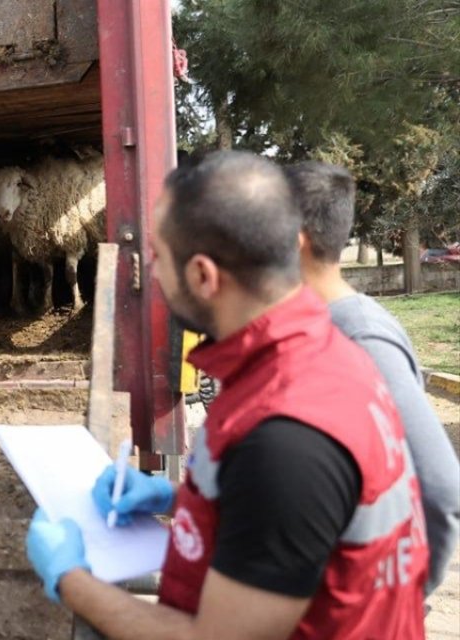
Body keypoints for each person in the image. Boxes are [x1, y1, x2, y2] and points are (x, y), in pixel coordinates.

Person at [25, 151, 428, 638]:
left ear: (202, 276)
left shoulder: (285, 435)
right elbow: (277, 516)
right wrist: (173, 497)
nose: (152, 275)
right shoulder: (316, 358)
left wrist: (71, 581)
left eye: (158, 258)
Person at [286, 160, 459, 597]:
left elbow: (438, 493)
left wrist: (399, 604)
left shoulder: (358, 334)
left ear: (293, 240)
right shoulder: (314, 327)